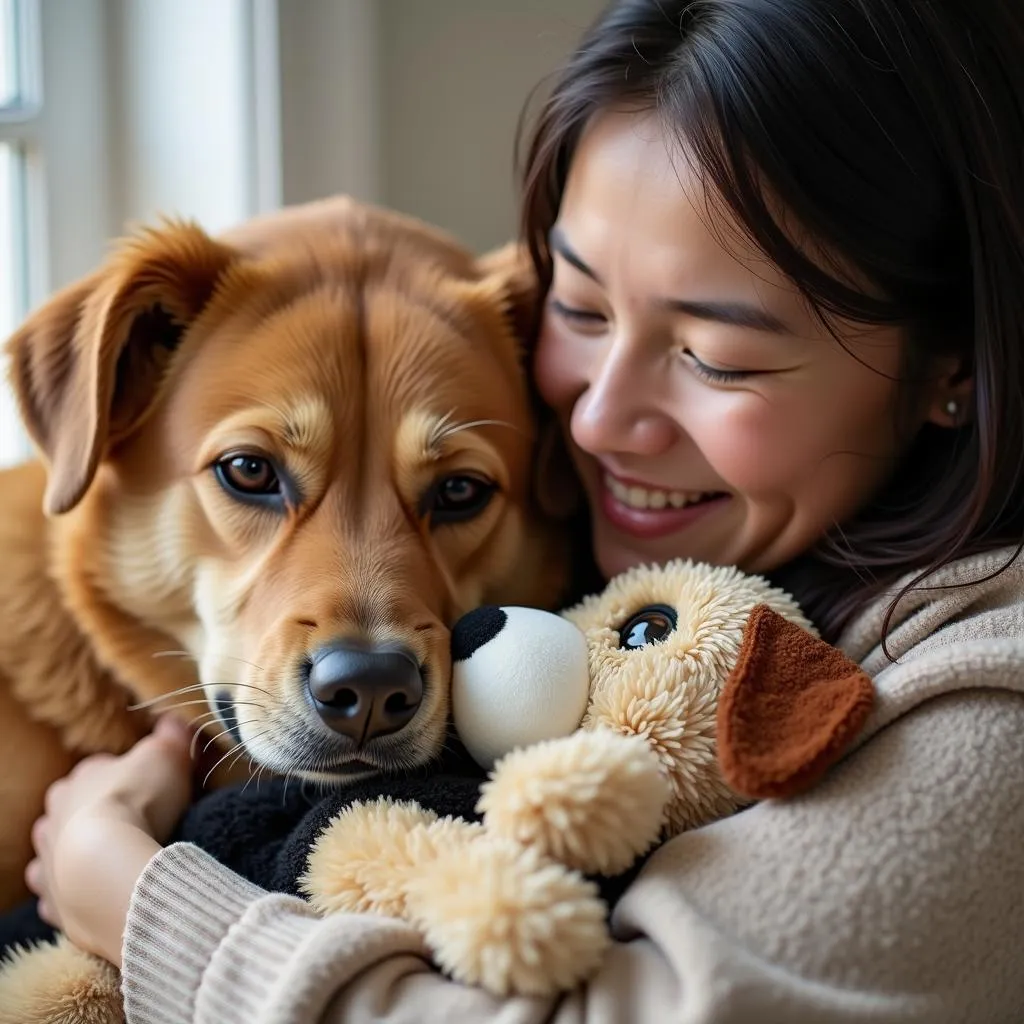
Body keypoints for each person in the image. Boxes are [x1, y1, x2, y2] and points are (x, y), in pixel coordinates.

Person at [24, 0, 1024, 1020]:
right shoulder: (600, 562)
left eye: (717, 356)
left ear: (954, 363)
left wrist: (140, 902)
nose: (590, 421)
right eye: (582, 309)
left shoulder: (985, 693)